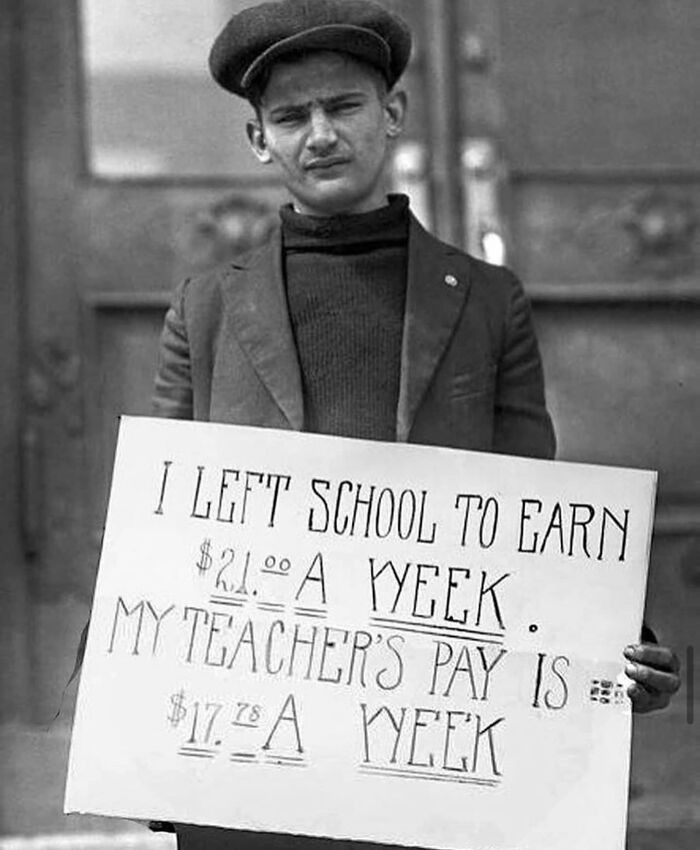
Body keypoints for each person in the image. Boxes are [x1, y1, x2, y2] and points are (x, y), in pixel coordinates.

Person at [151, 0, 680, 844]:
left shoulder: (485, 300)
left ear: (391, 115)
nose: (319, 134)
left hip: (431, 746)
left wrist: (618, 643)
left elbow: (527, 509)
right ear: (259, 140)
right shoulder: (206, 308)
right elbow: (164, 531)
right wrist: (138, 728)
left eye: (344, 107)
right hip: (254, 752)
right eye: (290, 117)